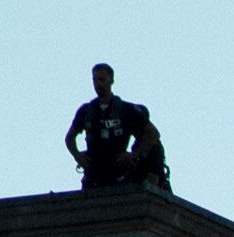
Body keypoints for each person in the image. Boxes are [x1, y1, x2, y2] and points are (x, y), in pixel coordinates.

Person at [66, 65, 170, 194]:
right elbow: (69, 137)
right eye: (95, 80)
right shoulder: (86, 111)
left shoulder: (126, 109)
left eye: (102, 79)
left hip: (119, 174)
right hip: (94, 175)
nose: (98, 84)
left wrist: (134, 155)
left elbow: (153, 134)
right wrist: (77, 155)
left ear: (111, 80)